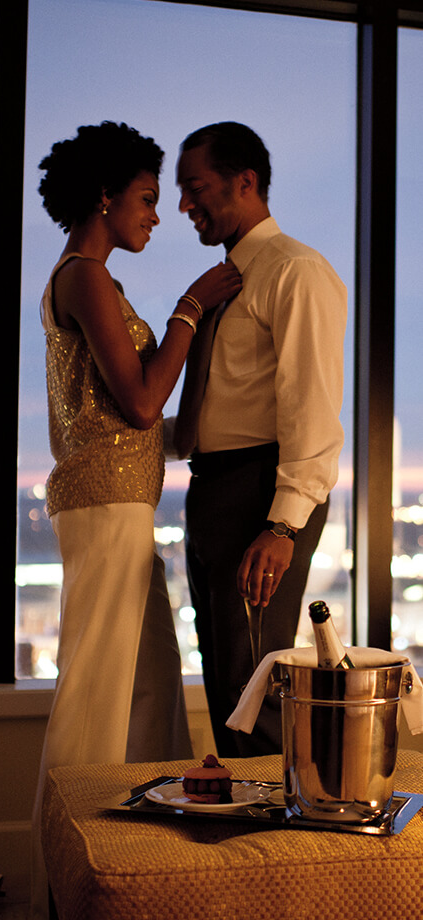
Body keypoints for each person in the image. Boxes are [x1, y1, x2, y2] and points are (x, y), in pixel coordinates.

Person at [30, 120, 241, 920]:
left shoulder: (100, 281)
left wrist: (198, 333)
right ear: (105, 196)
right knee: (95, 694)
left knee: (153, 691)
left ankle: (141, 876)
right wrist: (191, 306)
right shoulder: (83, 274)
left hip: (126, 511)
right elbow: (143, 399)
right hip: (105, 508)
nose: (157, 215)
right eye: (149, 199)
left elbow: (160, 420)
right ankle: (63, 885)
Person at [173, 121, 347, 758]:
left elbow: (313, 408)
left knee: (257, 693)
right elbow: (220, 408)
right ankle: (243, 845)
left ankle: (280, 848)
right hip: (214, 489)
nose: (185, 205)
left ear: (245, 182)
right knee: (226, 687)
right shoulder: (225, 285)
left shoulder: (295, 270)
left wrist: (283, 526)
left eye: (196, 188)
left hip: (260, 493)